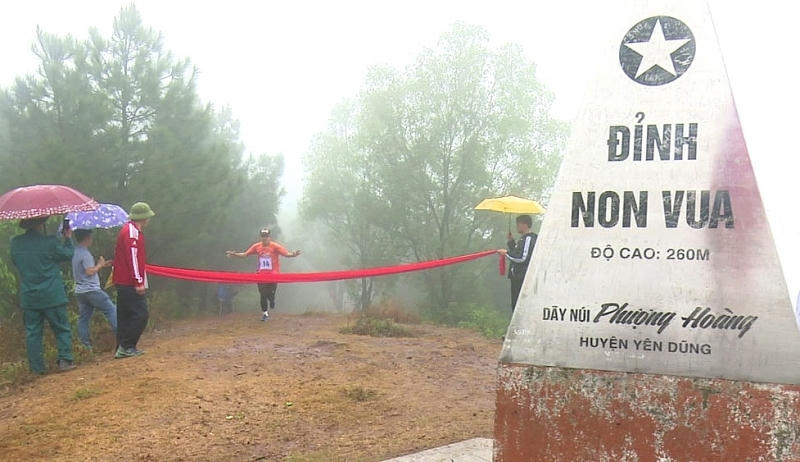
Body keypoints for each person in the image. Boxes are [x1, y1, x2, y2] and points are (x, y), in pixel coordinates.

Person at [10, 216, 76, 373]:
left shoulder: (16, 243)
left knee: (33, 333)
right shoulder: (50, 242)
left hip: (30, 296)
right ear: (40, 224)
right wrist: (67, 238)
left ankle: (36, 368)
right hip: (52, 294)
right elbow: (67, 254)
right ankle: (65, 360)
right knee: (61, 328)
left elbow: (16, 262)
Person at [226, 228, 301, 321]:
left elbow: (286, 254)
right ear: (261, 237)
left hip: (273, 275)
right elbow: (245, 254)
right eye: (263, 236)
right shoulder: (257, 246)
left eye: (266, 236)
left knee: (270, 294)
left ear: (269, 237)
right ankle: (265, 313)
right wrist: (234, 254)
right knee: (263, 294)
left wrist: (293, 254)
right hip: (261, 274)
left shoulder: (275, 246)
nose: (264, 238)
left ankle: (272, 299)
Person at [112, 202, 155, 359]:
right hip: (128, 281)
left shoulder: (130, 230)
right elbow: (133, 258)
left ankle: (121, 347)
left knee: (125, 315)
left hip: (122, 280)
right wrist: (138, 282)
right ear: (144, 218)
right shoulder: (132, 233)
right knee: (141, 314)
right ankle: (127, 346)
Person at [72, 229, 117, 349]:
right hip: (92, 290)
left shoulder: (75, 251)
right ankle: (122, 338)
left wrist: (102, 265)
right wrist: (99, 265)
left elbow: (84, 270)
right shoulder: (85, 254)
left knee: (84, 318)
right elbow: (89, 271)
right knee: (111, 310)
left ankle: (85, 346)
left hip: (80, 291)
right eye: (90, 237)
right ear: (87, 238)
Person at [497, 215, 537, 312]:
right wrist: (511, 241)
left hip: (522, 277)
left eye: (518, 224)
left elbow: (522, 258)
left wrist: (506, 253)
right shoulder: (523, 239)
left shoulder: (529, 239)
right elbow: (516, 252)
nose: (517, 227)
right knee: (515, 304)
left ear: (525, 225)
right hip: (516, 277)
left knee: (520, 305)